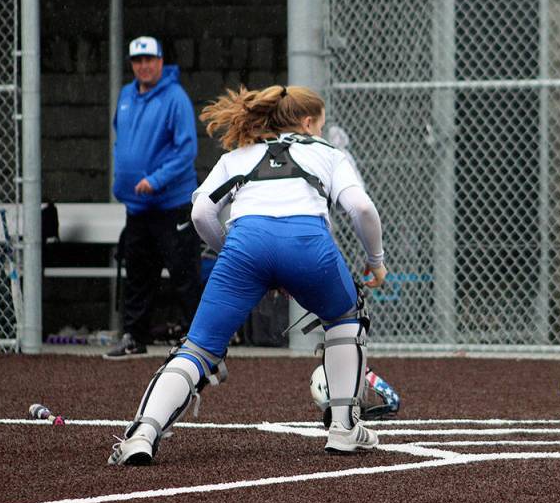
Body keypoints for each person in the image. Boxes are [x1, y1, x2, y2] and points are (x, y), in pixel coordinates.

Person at [107, 85, 388, 465]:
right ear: (307, 123)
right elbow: (362, 209)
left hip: (244, 245)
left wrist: (234, 254)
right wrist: (376, 260)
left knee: (199, 347)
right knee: (345, 318)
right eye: (319, 126)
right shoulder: (328, 153)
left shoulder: (237, 155)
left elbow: (200, 214)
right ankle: (343, 428)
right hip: (309, 245)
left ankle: (141, 434)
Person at [104, 36, 202, 359]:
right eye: (137, 60)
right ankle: (134, 337)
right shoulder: (126, 95)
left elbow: (186, 150)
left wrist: (156, 179)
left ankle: (201, 340)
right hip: (138, 207)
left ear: (161, 62)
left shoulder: (175, 98)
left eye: (149, 59)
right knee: (138, 273)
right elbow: (123, 141)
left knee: (184, 273)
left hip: (171, 204)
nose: (143, 66)